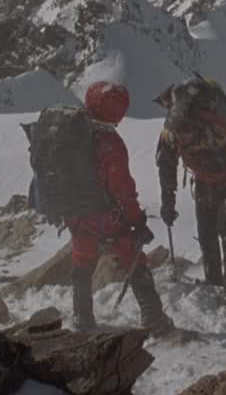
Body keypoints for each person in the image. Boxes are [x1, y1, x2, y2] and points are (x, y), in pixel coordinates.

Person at [66, 81, 174, 334]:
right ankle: (155, 320)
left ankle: (82, 319)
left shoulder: (72, 134)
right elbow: (122, 189)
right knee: (134, 259)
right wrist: (137, 221)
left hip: (76, 215)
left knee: (82, 263)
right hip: (106, 216)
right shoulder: (109, 142)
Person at [155, 77, 226, 307]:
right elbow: (166, 166)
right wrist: (168, 202)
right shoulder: (171, 134)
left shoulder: (220, 131)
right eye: (180, 135)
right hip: (205, 182)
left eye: (186, 134)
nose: (184, 139)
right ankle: (213, 281)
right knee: (206, 231)